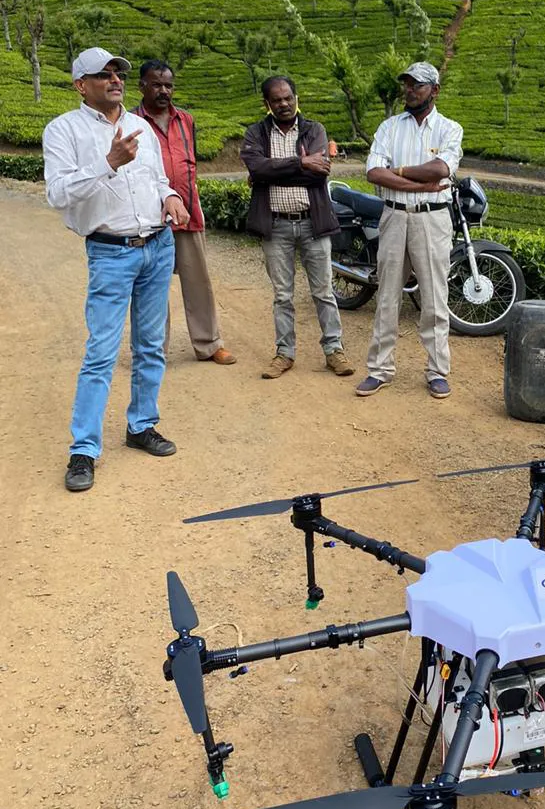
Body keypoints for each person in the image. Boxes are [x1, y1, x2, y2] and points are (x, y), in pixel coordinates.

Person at [42, 47, 190, 493]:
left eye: (118, 73)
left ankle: (141, 425)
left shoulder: (140, 125)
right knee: (101, 353)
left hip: (156, 246)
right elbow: (58, 194)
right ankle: (84, 450)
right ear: (80, 85)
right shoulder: (62, 130)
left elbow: (158, 178)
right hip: (110, 252)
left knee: (150, 347)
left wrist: (171, 197)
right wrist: (108, 163)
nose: (115, 79)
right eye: (103, 74)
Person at [356, 61, 463, 399]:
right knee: (387, 295)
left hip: (433, 219)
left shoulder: (449, 129)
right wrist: (416, 184)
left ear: (435, 90)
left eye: (418, 85)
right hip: (394, 216)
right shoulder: (389, 127)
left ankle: (437, 371)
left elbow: (440, 169)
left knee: (434, 297)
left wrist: (398, 171)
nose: (410, 90)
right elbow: (373, 172)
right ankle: (380, 369)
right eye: (407, 84)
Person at [240, 75, 354, 380]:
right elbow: (256, 167)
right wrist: (301, 164)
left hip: (311, 222)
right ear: (267, 104)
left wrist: (270, 172)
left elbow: (319, 174)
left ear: (295, 97)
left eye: (288, 97)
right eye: (276, 100)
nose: (284, 104)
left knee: (324, 292)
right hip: (276, 226)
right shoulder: (256, 133)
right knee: (282, 295)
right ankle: (284, 353)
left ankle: (334, 350)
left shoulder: (314, 129)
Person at [134, 60, 236, 366]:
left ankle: (208, 344)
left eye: (168, 85)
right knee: (152, 287)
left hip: (188, 213)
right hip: (150, 218)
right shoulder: (130, 123)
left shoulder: (186, 120)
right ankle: (153, 351)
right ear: (142, 86)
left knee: (198, 283)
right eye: (156, 84)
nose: (164, 91)